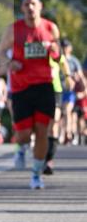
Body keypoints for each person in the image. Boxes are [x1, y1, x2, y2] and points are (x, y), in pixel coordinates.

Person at [0, 0, 60, 190]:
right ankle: (21, 147)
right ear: (22, 8)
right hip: (21, 87)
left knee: (42, 131)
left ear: (40, 6)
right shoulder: (13, 30)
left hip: (44, 85)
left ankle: (36, 174)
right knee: (24, 134)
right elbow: (1, 53)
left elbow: (58, 55)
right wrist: (10, 63)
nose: (30, 8)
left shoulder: (50, 28)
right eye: (26, 4)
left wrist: (55, 51)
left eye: (34, 4)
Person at [45, 45, 70, 175]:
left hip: (56, 90)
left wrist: (68, 77)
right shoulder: (37, 52)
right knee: (43, 126)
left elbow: (63, 62)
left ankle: (49, 160)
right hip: (40, 89)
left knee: (54, 121)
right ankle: (42, 157)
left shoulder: (54, 51)